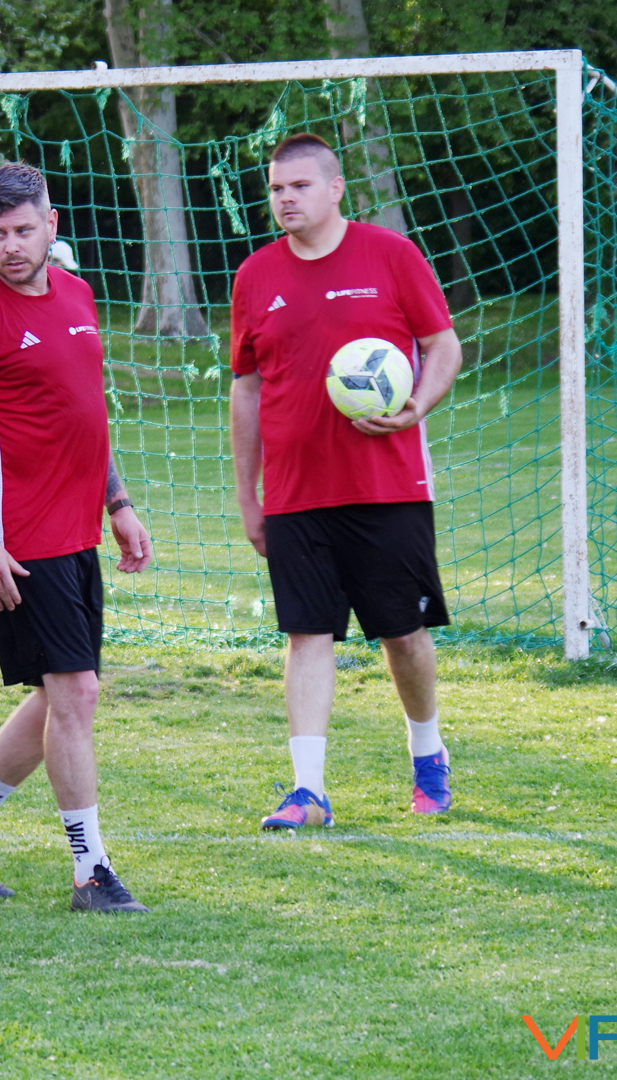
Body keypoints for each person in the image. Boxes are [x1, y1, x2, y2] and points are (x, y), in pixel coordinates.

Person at [0, 162, 153, 912]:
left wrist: (117, 501)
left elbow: (85, 411)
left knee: (62, 693)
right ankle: (91, 871)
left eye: (23, 230)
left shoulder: (77, 295)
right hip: (20, 538)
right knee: (74, 691)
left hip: (77, 529)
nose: (10, 246)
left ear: (51, 225)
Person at [228, 133, 462, 831]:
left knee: (403, 634)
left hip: (388, 488)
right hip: (296, 493)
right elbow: (246, 390)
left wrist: (417, 405)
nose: (285, 199)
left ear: (335, 189)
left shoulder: (390, 255)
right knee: (307, 635)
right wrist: (248, 495)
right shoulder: (255, 276)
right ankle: (308, 792)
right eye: (276, 188)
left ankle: (428, 754)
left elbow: (443, 345)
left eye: (299, 186)